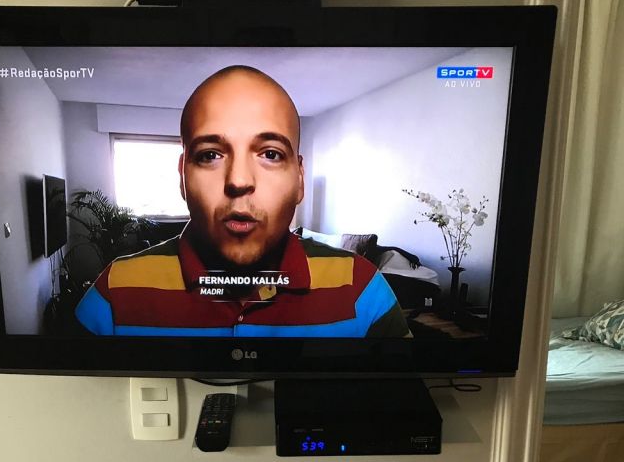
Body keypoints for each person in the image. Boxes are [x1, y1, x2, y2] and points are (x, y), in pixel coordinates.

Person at [74, 65, 409, 338]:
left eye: (270, 154)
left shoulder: (363, 290)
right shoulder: (114, 293)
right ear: (182, 177)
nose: (238, 181)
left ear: (299, 179)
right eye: (210, 155)